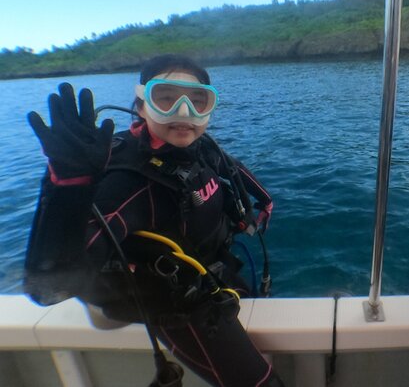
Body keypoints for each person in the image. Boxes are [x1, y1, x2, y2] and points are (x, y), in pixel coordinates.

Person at [24, 54, 284, 387]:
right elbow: (51, 290)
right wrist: (68, 188)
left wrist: (265, 199)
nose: (184, 113)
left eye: (197, 101)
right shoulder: (125, 180)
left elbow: (229, 165)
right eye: (166, 98)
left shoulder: (197, 145)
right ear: (141, 105)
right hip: (180, 308)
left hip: (214, 272)